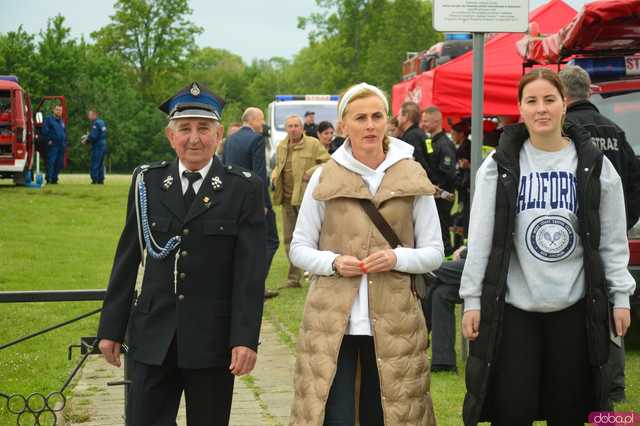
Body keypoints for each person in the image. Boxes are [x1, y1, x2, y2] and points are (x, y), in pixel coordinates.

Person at [460, 69, 635, 425]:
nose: (542, 109)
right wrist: (472, 300)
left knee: (568, 409)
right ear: (520, 108)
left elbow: (613, 241)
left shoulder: (594, 165)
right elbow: (480, 239)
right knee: (512, 409)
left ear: (564, 104)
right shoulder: (499, 167)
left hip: (574, 306)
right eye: (532, 101)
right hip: (514, 308)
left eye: (549, 100)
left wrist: (621, 297)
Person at [97, 81, 266, 425]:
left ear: (219, 136)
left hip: (213, 341)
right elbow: (128, 257)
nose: (194, 138)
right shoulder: (147, 182)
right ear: (170, 136)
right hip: (150, 336)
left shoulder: (243, 188)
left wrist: (245, 339)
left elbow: (249, 273)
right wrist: (111, 328)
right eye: (184, 129)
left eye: (203, 129)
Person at [288, 82, 443, 425]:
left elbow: (435, 253)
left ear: (389, 121)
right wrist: (333, 262)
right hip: (332, 323)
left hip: (396, 320)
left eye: (377, 116)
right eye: (360, 118)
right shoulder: (324, 177)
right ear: (344, 126)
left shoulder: (411, 173)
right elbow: (299, 248)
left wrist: (396, 258)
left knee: (386, 417)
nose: (370, 125)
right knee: (335, 417)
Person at [559, 64, 640, 405]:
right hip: (612, 234)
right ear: (590, 91)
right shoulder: (616, 131)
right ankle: (614, 385)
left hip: (573, 239)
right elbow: (635, 185)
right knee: (611, 307)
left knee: (580, 309)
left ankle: (582, 382)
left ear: (563, 97)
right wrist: (620, 225)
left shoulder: (564, 131)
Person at [223, 107, 280, 299]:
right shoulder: (256, 139)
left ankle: (239, 283)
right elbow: (258, 174)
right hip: (253, 200)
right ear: (253, 120)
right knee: (271, 241)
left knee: (243, 242)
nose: (262, 124)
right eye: (261, 119)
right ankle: (255, 285)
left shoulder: (230, 140)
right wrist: (263, 203)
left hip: (233, 199)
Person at [271, 115, 330, 289]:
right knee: (289, 239)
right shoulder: (281, 146)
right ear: (286, 128)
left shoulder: (312, 144)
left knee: (312, 237)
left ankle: (315, 272)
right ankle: (293, 278)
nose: (293, 129)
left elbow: (328, 161)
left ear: (302, 128)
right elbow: (279, 166)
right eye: (290, 126)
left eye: (297, 126)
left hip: (305, 199)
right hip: (287, 199)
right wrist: (274, 174)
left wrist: (311, 172)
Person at [423, 246, 466, 372]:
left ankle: (420, 335)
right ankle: (443, 362)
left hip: (489, 267)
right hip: (471, 265)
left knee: (433, 269)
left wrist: (464, 251)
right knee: (441, 294)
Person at [422, 106, 457, 256]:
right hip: (434, 193)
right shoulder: (433, 141)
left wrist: (439, 187)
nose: (422, 124)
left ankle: (447, 253)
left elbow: (448, 171)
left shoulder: (444, 144)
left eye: (426, 121)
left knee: (442, 225)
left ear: (436, 122)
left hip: (442, 194)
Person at [397, 101, 429, 173]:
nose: (397, 118)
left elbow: (417, 164)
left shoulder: (411, 137)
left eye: (399, 115)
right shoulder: (422, 134)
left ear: (406, 117)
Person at [40, 104, 66, 184]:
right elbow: (44, 131)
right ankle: (49, 179)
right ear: (53, 110)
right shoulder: (48, 119)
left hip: (61, 145)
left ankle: (55, 178)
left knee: (60, 163)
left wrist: (65, 142)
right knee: (51, 162)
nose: (59, 112)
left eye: (60, 110)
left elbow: (64, 132)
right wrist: (48, 140)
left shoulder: (62, 121)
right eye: (57, 110)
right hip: (53, 145)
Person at [86, 108, 108, 184]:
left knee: (95, 163)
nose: (88, 117)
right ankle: (101, 179)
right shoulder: (102, 122)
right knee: (100, 163)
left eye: (89, 115)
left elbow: (94, 136)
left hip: (97, 146)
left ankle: (94, 179)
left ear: (94, 115)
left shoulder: (95, 124)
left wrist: (87, 140)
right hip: (103, 144)